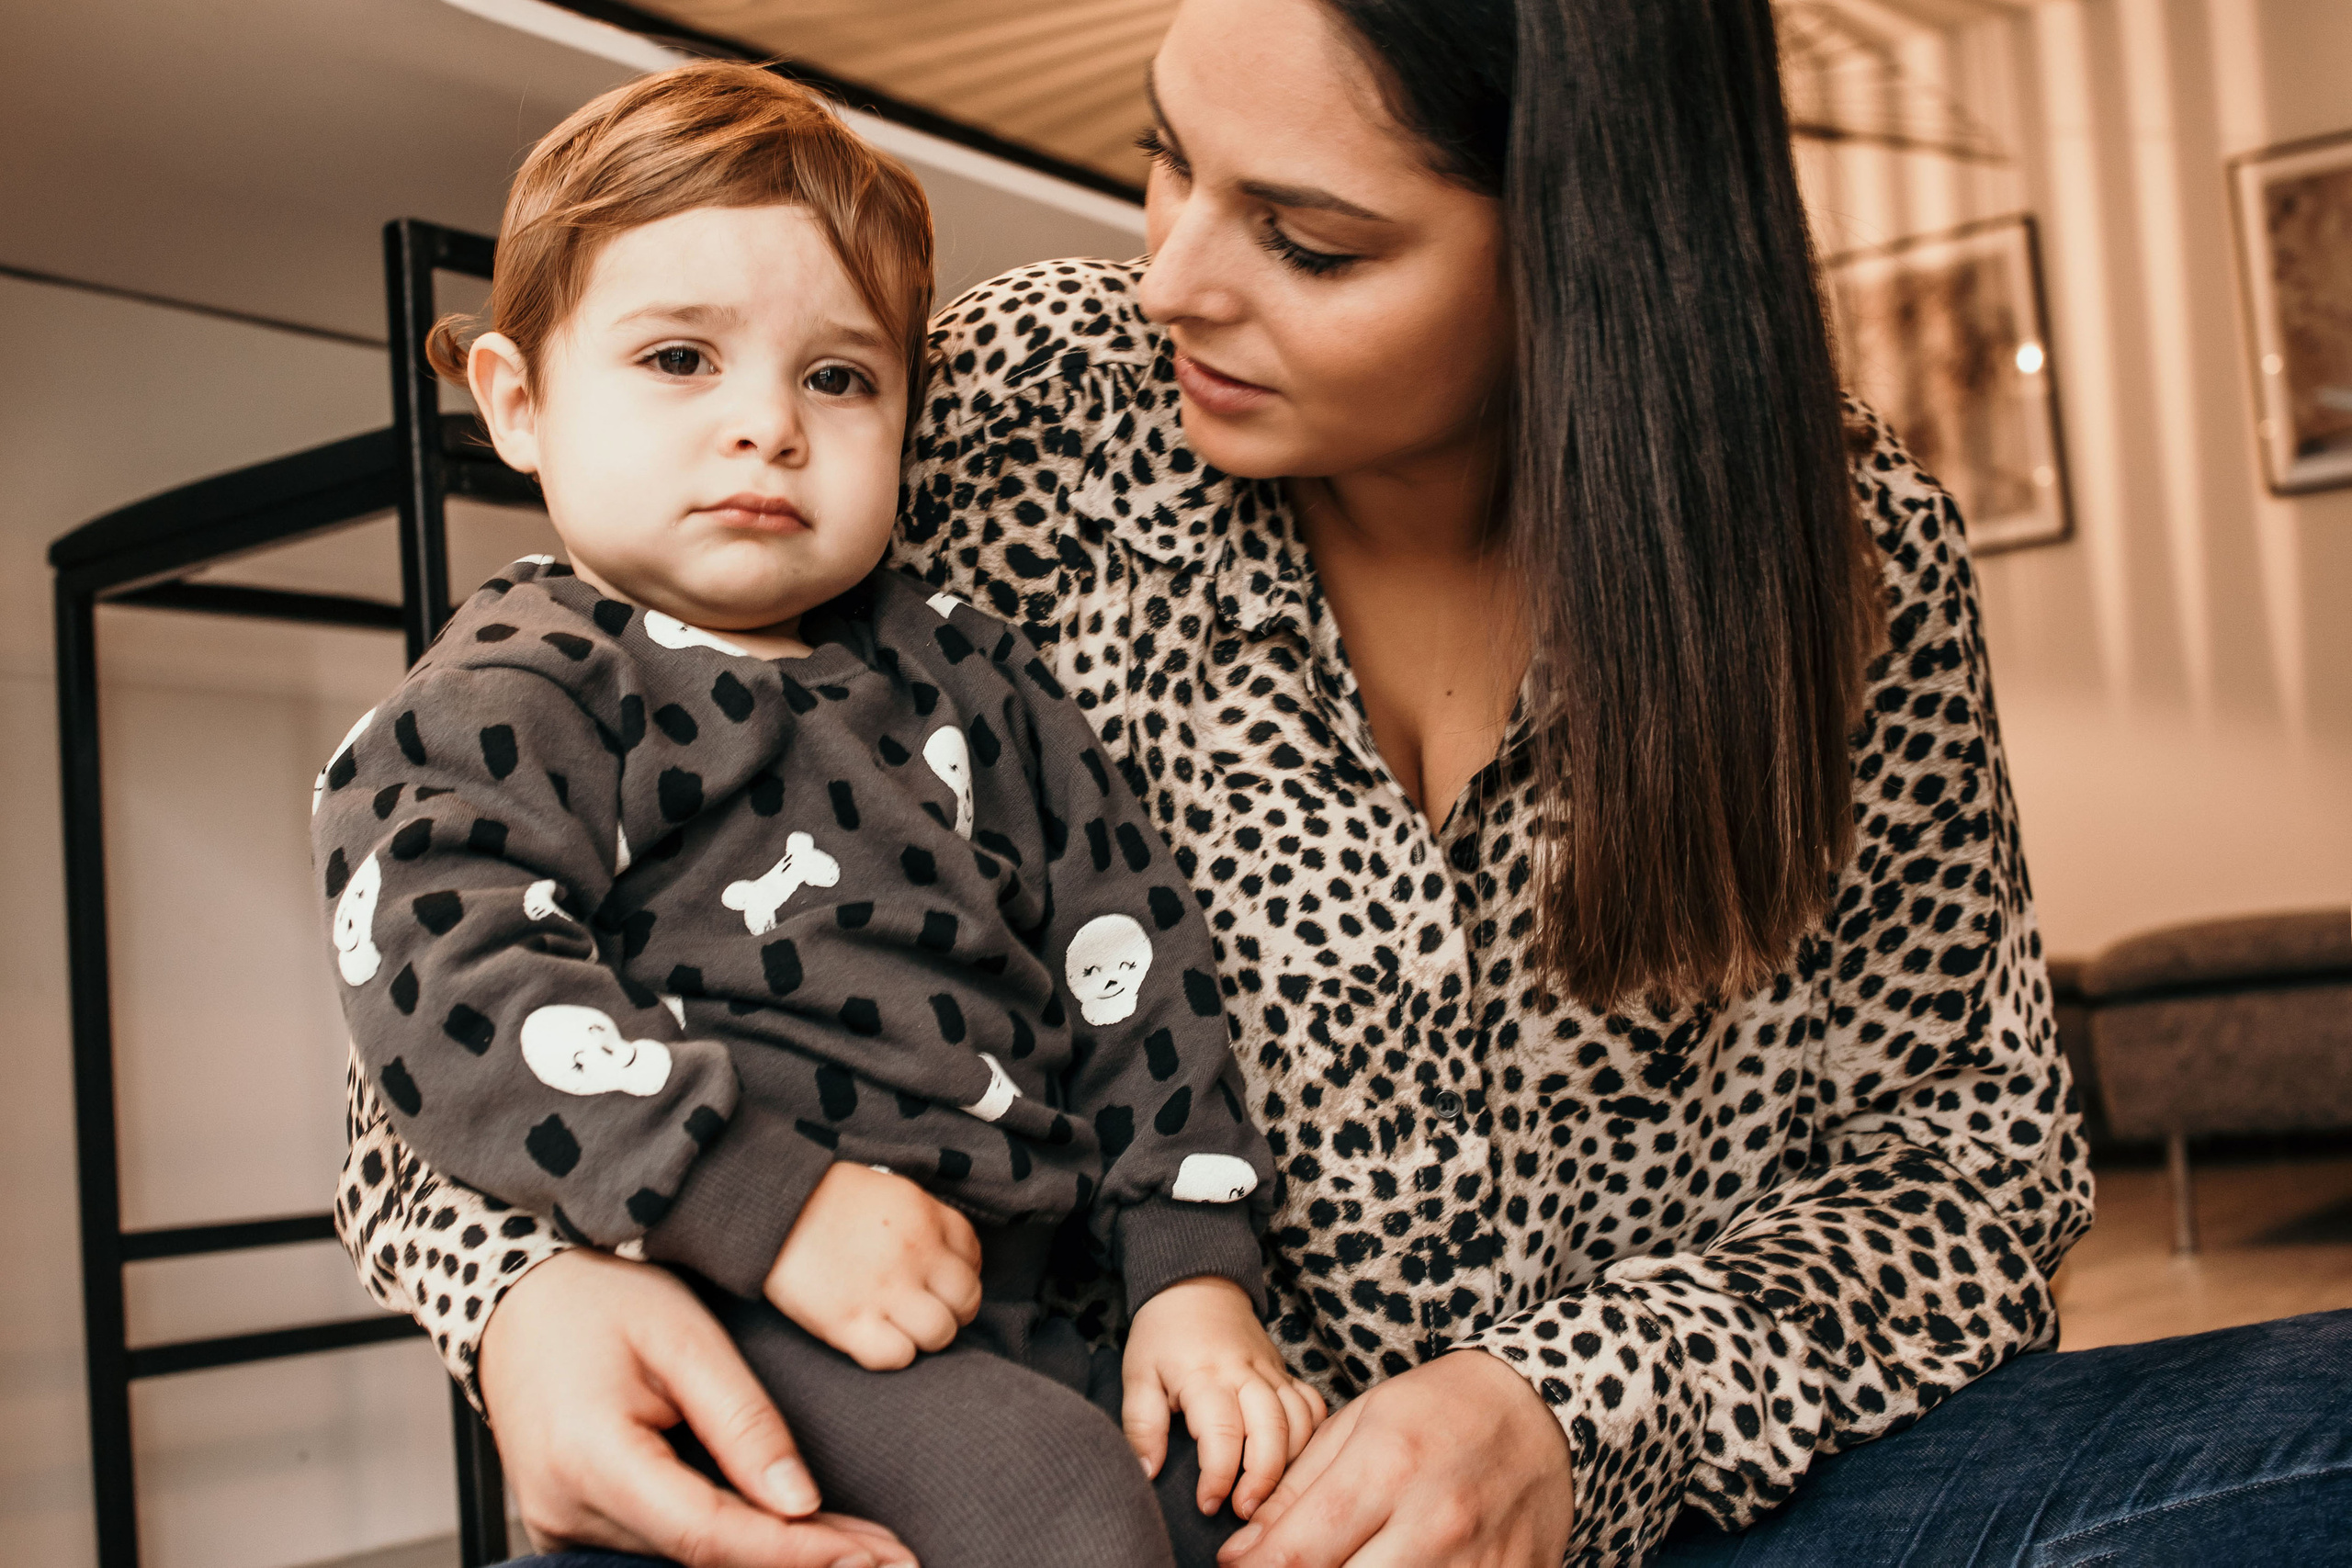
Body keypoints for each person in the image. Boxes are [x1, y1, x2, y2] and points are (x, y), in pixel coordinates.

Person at [335, 2, 2352, 1565]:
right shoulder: (1010, 418)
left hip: (1704, 1508)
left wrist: (1565, 1414)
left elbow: (1968, 1173)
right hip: (1090, 1484)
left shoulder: (1847, 560)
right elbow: (461, 970)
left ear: (1587, 258)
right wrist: (518, 1295)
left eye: (1304, 238)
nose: (1170, 280)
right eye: (1162, 159)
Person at [317, 62, 1324, 1568]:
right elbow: (451, 987)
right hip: (746, 1288)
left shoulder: (974, 668)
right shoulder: (520, 689)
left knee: (1252, 1508)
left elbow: (1135, 961)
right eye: (678, 360)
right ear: (518, 404)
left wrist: (1192, 1273)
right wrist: (758, 1204)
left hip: (1045, 1299)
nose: (767, 428)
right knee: (1053, 1503)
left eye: (837, 377)